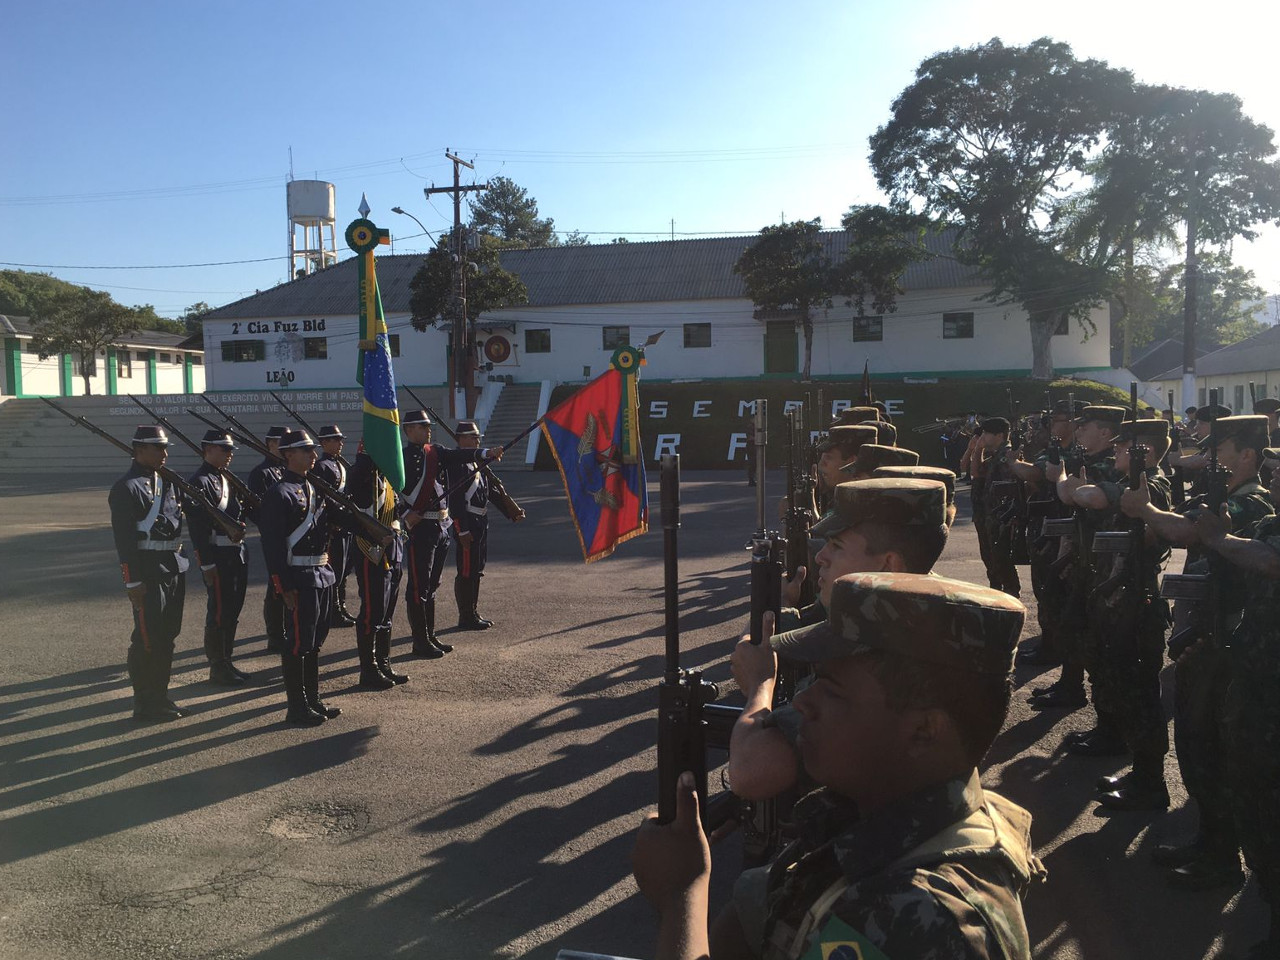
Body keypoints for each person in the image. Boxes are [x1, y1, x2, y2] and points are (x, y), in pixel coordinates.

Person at [633, 572, 1044, 960]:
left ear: (923, 731)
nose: (802, 703)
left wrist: (680, 896)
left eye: (832, 690)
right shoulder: (876, 814)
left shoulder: (921, 915)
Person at [1120, 414, 1274, 890]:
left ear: (1246, 454)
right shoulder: (1228, 496)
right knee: (1195, 743)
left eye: (1221, 447)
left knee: (1211, 747)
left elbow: (1190, 534)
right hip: (1205, 633)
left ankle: (1222, 857)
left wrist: (1145, 510)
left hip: (1225, 641)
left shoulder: (1251, 502)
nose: (1211, 455)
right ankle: (1211, 842)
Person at [731, 478, 950, 802]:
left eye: (837, 546)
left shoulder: (870, 648)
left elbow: (753, 771)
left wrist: (760, 685)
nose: (821, 557)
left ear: (888, 563)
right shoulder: (932, 607)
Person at [1191, 451, 1280, 959]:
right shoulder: (1268, 519)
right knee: (1255, 806)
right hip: (1255, 684)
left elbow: (1270, 562)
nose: (1272, 473)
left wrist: (1220, 539)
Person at [1068, 419, 1173, 806]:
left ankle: (1150, 782)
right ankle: (1117, 743)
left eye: (1122, 446)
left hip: (1136, 604)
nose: (1115, 451)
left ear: (1141, 451)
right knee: (1113, 676)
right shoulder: (1130, 486)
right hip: (1113, 597)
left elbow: (1092, 498)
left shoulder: (1153, 487)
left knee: (1141, 693)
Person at [259, 429, 373, 726]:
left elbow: (341, 518)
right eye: (305, 450)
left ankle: (313, 700)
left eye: (312, 450)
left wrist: (375, 532)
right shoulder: (279, 493)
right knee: (297, 643)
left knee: (314, 642)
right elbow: (272, 546)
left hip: (322, 574)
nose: (313, 455)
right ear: (288, 455)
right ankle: (296, 708)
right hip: (298, 577)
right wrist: (282, 586)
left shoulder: (314, 487)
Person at [1033, 404, 1125, 712]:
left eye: (1085, 427)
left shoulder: (1110, 466)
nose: (1079, 431)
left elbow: (1071, 494)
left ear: (1105, 432)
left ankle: (1094, 704)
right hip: (1084, 556)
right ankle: (1069, 685)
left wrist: (1061, 479)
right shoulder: (1089, 460)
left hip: (1101, 563)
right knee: (1073, 622)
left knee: (1092, 634)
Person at [400, 410, 503, 658]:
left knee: (432, 585)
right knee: (418, 586)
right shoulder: (401, 456)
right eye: (422, 426)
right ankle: (419, 641)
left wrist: (485, 453)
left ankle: (429, 635)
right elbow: (391, 488)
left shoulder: (434, 451)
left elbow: (458, 455)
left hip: (439, 527)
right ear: (408, 430)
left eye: (428, 426)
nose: (428, 429)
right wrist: (404, 514)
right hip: (421, 526)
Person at [108, 425, 190, 721]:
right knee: (146, 638)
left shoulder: (167, 482)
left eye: (165, 448)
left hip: (172, 567)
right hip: (148, 571)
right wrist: (132, 580)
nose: (164, 454)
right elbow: (125, 541)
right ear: (139, 449)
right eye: (158, 448)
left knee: (167, 637)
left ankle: (161, 696)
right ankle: (144, 702)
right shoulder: (126, 487)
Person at [187, 429, 251, 686]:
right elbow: (198, 530)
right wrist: (207, 563)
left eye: (230, 450)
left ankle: (227, 659)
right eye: (224, 450)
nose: (229, 455)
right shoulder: (199, 481)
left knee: (232, 610)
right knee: (219, 611)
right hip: (218, 555)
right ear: (208, 449)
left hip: (236, 553)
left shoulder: (226, 478)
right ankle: (217, 665)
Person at [448, 419, 526, 630]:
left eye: (478, 437)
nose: (477, 440)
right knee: (466, 571)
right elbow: (455, 500)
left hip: (480, 521)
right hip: (467, 523)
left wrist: (511, 512)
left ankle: (473, 611)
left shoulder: (477, 464)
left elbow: (489, 492)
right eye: (472, 437)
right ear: (461, 439)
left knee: (476, 569)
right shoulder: (456, 464)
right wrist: (461, 529)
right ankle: (465, 616)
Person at [346, 443, 408, 690]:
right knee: (372, 611)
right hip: (370, 549)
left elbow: (392, 508)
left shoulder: (386, 476)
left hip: (392, 549)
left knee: (387, 611)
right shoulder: (363, 473)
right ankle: (368, 669)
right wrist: (368, 456)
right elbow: (358, 496)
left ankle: (383, 662)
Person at [248, 425, 287, 653]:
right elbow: (254, 507)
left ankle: (285, 628)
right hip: (273, 537)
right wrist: (269, 526)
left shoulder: (285, 470)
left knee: (288, 583)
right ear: (270, 444)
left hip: (291, 537)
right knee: (276, 585)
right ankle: (275, 634)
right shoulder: (261, 473)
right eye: (281, 442)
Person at [314, 424, 356, 628]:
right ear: (324, 443)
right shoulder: (321, 466)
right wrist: (335, 520)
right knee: (334, 569)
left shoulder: (339, 463)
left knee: (344, 569)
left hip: (345, 524)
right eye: (335, 439)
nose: (340, 443)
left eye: (341, 439)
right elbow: (324, 498)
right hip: (334, 527)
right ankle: (332, 610)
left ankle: (341, 607)